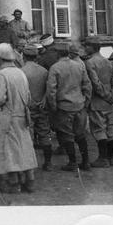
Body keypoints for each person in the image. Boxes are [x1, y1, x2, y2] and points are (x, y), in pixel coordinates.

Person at [0, 43, 39, 193]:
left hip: (6, 117)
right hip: (22, 115)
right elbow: (28, 97)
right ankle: (30, 181)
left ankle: (13, 183)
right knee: (25, 149)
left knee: (8, 151)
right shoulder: (20, 73)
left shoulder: (1, 75)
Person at [46, 42, 93, 171]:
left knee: (66, 135)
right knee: (80, 134)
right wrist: (86, 102)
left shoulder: (55, 68)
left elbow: (51, 91)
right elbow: (87, 86)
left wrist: (53, 106)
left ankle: (72, 162)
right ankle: (86, 161)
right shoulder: (79, 66)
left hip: (64, 107)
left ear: (58, 53)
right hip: (79, 105)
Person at [83, 38, 113, 168]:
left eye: (86, 45)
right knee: (110, 128)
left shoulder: (89, 63)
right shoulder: (107, 61)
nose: (85, 48)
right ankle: (110, 158)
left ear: (92, 47)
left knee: (99, 129)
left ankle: (103, 158)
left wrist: (105, 95)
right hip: (108, 102)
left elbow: (95, 83)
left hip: (97, 100)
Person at [20, 43, 53, 170]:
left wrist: (30, 102)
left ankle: (29, 164)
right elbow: (48, 89)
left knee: (27, 135)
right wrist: (43, 100)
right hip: (42, 107)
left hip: (27, 108)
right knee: (45, 134)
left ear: (23, 56)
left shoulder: (21, 72)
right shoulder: (44, 71)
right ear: (37, 56)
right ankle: (48, 162)